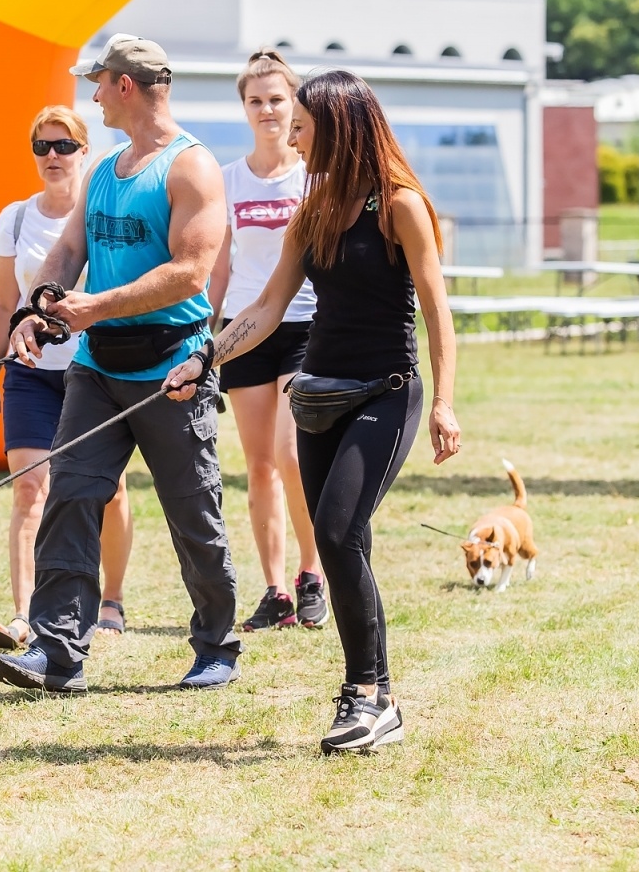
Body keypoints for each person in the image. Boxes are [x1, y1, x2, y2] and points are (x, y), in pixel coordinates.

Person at [166, 69, 462, 754]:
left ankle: (370, 695)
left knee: (334, 531)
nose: (293, 135)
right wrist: (204, 359)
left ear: (337, 125)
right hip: (319, 393)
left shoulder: (400, 206)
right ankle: (371, 693)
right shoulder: (315, 209)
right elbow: (267, 307)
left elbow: (438, 308)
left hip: (384, 390)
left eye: (302, 124)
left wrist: (445, 401)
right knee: (343, 541)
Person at [0, 34, 241, 694]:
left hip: (171, 372)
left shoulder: (191, 168)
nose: (93, 95)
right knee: (69, 500)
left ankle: (216, 644)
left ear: (124, 86)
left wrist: (94, 305)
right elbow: (68, 249)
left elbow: (191, 273)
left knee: (194, 515)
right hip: (96, 371)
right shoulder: (103, 170)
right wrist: (40, 303)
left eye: (98, 83)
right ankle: (57, 651)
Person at [0, 105, 134, 649]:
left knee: (107, 490)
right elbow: (3, 305)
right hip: (27, 374)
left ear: (85, 151)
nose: (52, 157)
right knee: (29, 490)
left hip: (94, 374)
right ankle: (24, 615)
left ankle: (110, 600)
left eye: (64, 146)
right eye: (42, 146)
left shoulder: (102, 217)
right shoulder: (15, 219)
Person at [207, 49, 326, 632]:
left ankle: (313, 573)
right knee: (257, 465)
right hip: (243, 328)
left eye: (277, 99)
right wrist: (207, 336)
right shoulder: (226, 180)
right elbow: (220, 268)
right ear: (244, 108)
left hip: (305, 324)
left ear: (294, 103)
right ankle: (275, 589)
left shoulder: (314, 177)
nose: (267, 110)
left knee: (290, 453)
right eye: (256, 101)